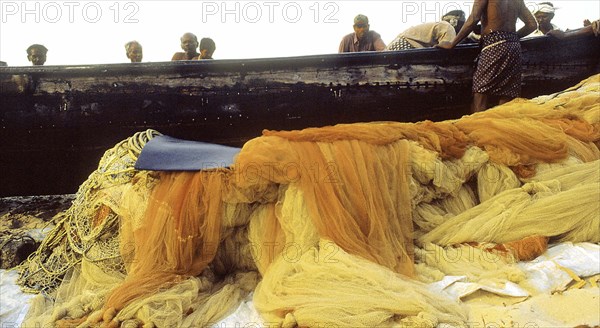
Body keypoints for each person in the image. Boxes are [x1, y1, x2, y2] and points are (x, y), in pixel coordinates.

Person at [436, 0, 537, 113]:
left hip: (494, 45)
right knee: (507, 94)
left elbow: (474, 19)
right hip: (514, 46)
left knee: (480, 94)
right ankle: (503, 128)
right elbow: (532, 25)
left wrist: (452, 43)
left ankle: (479, 127)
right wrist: (510, 37)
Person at [386, 10, 465, 51]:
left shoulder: (440, 25)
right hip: (406, 47)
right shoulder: (448, 27)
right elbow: (446, 50)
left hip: (395, 47)